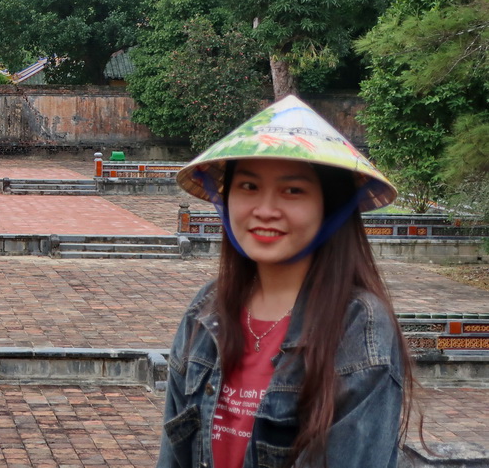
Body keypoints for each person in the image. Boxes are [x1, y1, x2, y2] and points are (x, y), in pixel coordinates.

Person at [159, 95, 414, 468]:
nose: (265, 210)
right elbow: (174, 457)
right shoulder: (207, 312)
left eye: (293, 190)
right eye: (248, 187)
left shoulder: (359, 327)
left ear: (332, 205)